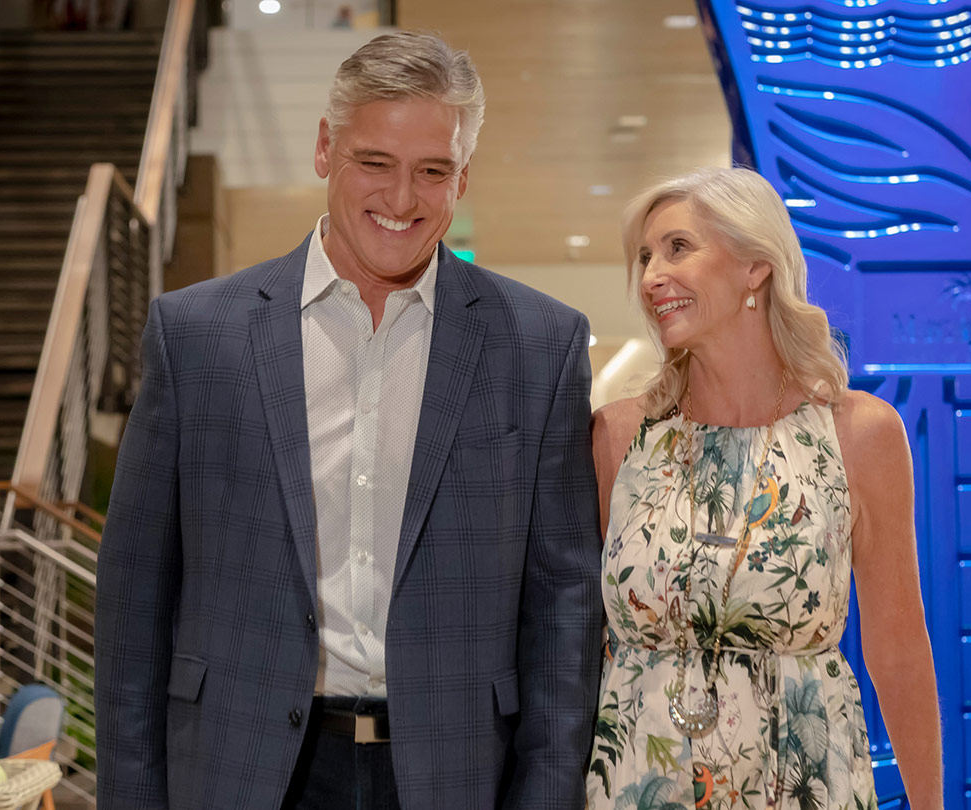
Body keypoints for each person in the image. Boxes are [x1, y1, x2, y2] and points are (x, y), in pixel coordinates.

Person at [95, 32, 603, 810]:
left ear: (462, 177)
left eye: (432, 171)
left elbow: (564, 607)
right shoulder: (196, 335)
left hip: (456, 776)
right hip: (242, 770)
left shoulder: (540, 345)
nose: (402, 200)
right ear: (325, 148)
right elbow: (134, 599)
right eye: (376, 162)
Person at [588, 167, 943, 810]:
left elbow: (897, 646)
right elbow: (584, 646)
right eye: (643, 257)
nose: (650, 277)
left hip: (804, 782)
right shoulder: (619, 437)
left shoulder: (858, 435)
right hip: (641, 783)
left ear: (756, 266)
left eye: (677, 248)